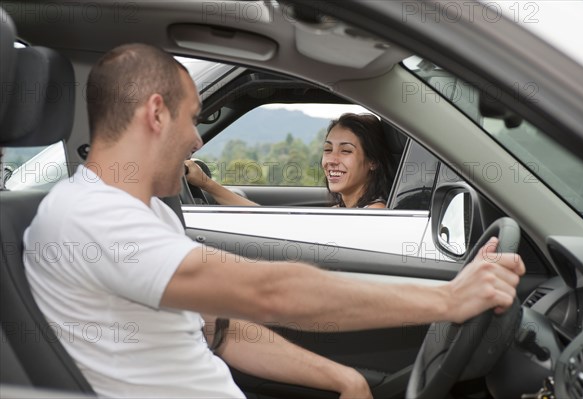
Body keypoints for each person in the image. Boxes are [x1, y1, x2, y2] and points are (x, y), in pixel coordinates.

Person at [24, 43, 525, 399]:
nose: (198, 140)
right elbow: (272, 292)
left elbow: (223, 331)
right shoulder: (86, 217)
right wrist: (449, 299)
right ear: (156, 114)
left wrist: (342, 379)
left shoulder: (147, 211)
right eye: (193, 118)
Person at [184, 113, 395, 208]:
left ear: (372, 161)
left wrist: (206, 184)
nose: (332, 159)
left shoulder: (374, 214)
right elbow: (269, 222)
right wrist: (205, 184)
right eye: (328, 149)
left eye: (346, 151)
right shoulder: (342, 210)